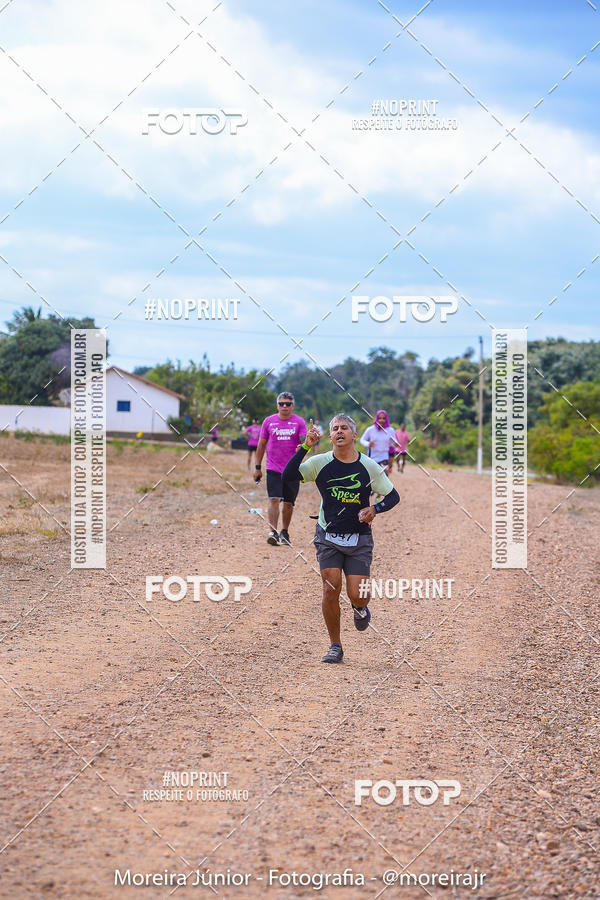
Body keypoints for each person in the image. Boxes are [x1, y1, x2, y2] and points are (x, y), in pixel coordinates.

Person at [282, 414, 399, 664]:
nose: (339, 431)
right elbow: (288, 476)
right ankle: (335, 645)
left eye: (344, 428)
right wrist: (305, 445)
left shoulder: (369, 467)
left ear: (354, 435)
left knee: (357, 595)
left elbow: (392, 496)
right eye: (334, 428)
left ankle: (360, 608)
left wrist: (375, 509)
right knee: (330, 587)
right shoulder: (320, 462)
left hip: (359, 539)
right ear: (330, 436)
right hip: (328, 536)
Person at [254, 392, 306, 546]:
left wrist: (307, 443)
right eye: (281, 403)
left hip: (292, 469)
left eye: (288, 404)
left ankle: (285, 531)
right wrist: (257, 467)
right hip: (273, 467)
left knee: (289, 503)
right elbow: (261, 445)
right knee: (274, 499)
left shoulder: (299, 422)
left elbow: (304, 443)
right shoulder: (268, 422)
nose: (284, 406)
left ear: (293, 406)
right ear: (277, 405)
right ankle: (273, 531)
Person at [360, 410, 396, 475]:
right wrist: (368, 444)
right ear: (377, 418)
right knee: (372, 478)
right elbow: (362, 440)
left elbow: (393, 443)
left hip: (384, 457)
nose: (381, 420)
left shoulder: (390, 430)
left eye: (383, 418)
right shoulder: (370, 429)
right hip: (372, 458)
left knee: (384, 477)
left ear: (386, 419)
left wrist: (395, 444)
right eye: (379, 418)